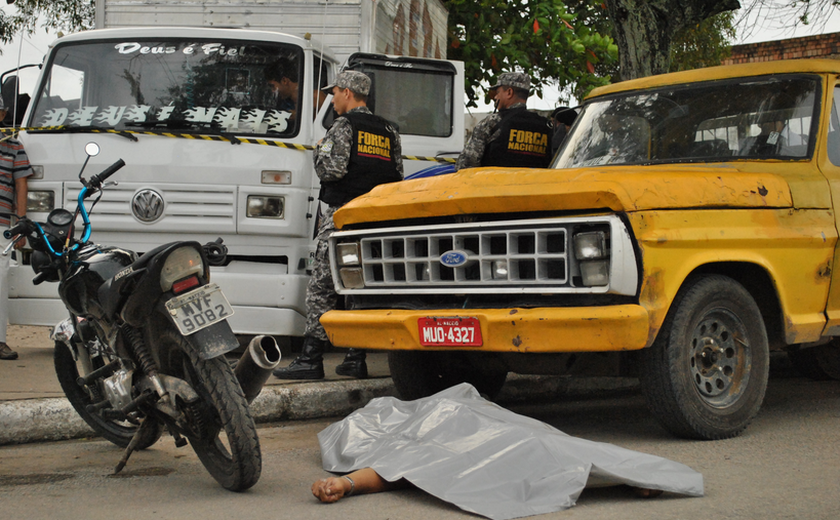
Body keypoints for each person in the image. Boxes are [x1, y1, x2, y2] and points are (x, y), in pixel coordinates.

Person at [273, 71, 403, 380]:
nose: (332, 99)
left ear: (347, 93)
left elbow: (331, 170)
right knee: (360, 286)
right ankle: (355, 359)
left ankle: (310, 360)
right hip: (375, 218)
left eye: (335, 93)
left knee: (322, 286)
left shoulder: (343, 127)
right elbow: (397, 176)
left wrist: (320, 148)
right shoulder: (389, 131)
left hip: (342, 217)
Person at [456, 72, 553, 170]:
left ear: (509, 92)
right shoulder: (546, 126)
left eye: (498, 92)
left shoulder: (492, 123)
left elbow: (465, 166)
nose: (495, 97)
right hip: (534, 184)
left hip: (493, 184)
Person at [0, 97, 34, 360]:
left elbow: (21, 184)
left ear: (3, 114)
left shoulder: (14, 147)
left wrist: (21, 225)